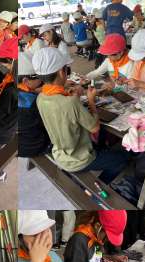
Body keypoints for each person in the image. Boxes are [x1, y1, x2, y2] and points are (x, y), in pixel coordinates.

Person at [33, 47, 129, 183]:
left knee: (103, 142)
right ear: (61, 72)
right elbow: (94, 127)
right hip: (78, 159)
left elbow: (62, 110)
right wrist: (91, 100)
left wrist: (69, 93)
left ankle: (102, 151)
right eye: (67, 70)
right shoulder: (70, 102)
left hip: (59, 153)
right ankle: (100, 185)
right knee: (122, 159)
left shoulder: (41, 97)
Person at [64, 210, 128, 262]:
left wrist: (112, 258)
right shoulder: (78, 240)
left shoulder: (96, 236)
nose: (107, 240)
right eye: (107, 237)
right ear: (97, 226)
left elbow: (96, 256)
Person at [17, 51, 50, 157]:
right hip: (33, 146)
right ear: (26, 81)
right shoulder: (33, 102)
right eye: (39, 77)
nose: (42, 81)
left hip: (15, 143)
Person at [0, 38, 18, 145]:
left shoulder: (10, 91)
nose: (0, 65)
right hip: (10, 127)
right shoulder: (16, 78)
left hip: (0, 134)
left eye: (3, 62)